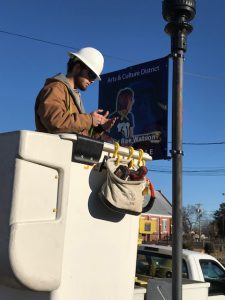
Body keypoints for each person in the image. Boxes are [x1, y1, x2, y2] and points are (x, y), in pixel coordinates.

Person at [35, 47, 116, 138]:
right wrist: (89, 119)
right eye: (91, 75)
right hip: (52, 150)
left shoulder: (74, 96)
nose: (92, 81)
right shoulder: (55, 89)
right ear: (77, 68)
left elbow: (76, 133)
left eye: (94, 78)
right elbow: (55, 122)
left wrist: (99, 128)